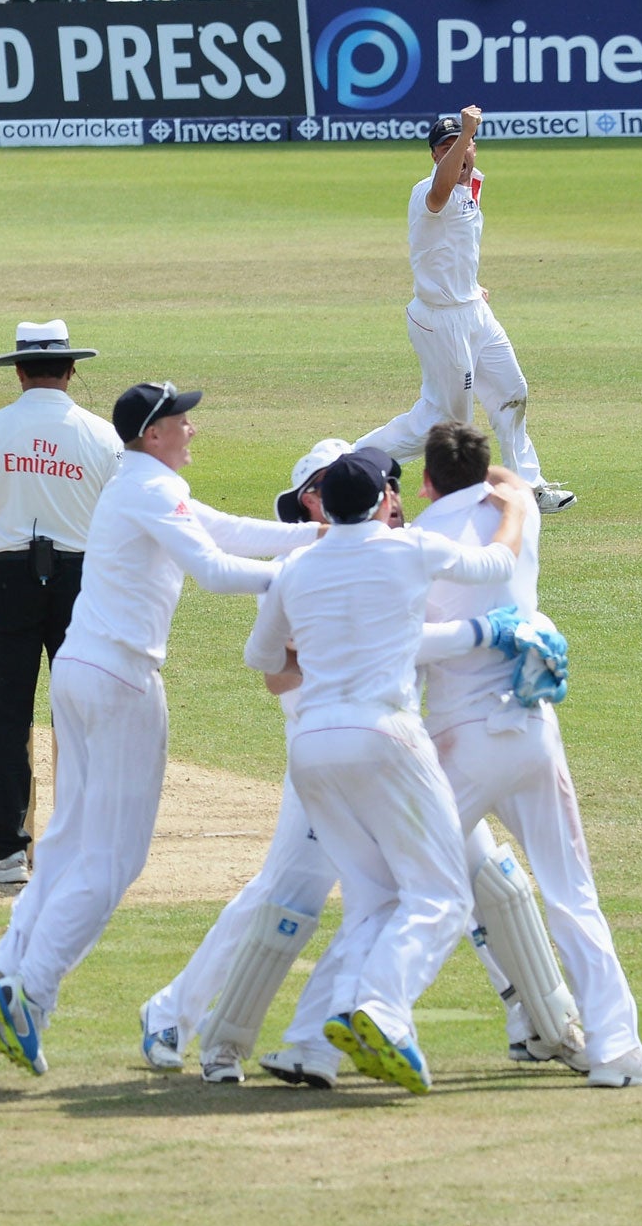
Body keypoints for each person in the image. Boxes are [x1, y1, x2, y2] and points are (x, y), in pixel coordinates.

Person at [139, 438, 572, 1085]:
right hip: (338, 757)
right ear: (306, 500)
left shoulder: (390, 551)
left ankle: (542, 1024)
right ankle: (191, 1022)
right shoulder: (302, 562)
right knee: (294, 899)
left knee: (478, 879)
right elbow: (274, 677)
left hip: (393, 751)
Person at [0, 382, 318, 1076]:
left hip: (83, 669)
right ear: (153, 433)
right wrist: (311, 574)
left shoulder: (144, 482)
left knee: (68, 841)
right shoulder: (150, 489)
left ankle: (6, 969)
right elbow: (216, 571)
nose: (192, 430)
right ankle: (27, 994)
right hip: (122, 679)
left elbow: (224, 528)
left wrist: (319, 536)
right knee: (114, 861)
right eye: (182, 422)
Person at [241, 448, 527, 1094]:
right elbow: (496, 562)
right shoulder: (410, 549)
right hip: (385, 736)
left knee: (374, 898)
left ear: (325, 508)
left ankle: (312, 1045)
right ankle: (381, 1012)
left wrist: (326, 644)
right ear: (380, 503)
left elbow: (264, 657)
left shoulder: (298, 567)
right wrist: (514, 509)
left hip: (312, 744)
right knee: (442, 896)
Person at [415, 423, 642, 1088]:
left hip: (458, 742)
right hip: (531, 732)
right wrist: (497, 482)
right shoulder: (519, 518)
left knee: (402, 881)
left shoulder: (419, 541)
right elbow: (508, 482)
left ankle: (364, 1016)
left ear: (426, 479)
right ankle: (619, 1051)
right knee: (573, 893)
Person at [0, 322, 122, 886]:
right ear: (71, 370)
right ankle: (81, 848)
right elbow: (121, 526)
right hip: (85, 583)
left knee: (8, 717)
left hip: (9, 582)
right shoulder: (104, 436)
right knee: (82, 717)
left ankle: (7, 852)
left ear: (18, 371)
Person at [356, 109, 574, 512]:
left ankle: (527, 486)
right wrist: (466, 131)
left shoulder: (472, 185)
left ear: (474, 149)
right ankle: (357, 461)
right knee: (446, 423)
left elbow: (455, 245)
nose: (458, 152)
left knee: (512, 392)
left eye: (464, 144)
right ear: (436, 156)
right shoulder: (427, 192)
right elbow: (441, 197)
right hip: (439, 320)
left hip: (473, 311)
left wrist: (471, 286)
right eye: (446, 147)